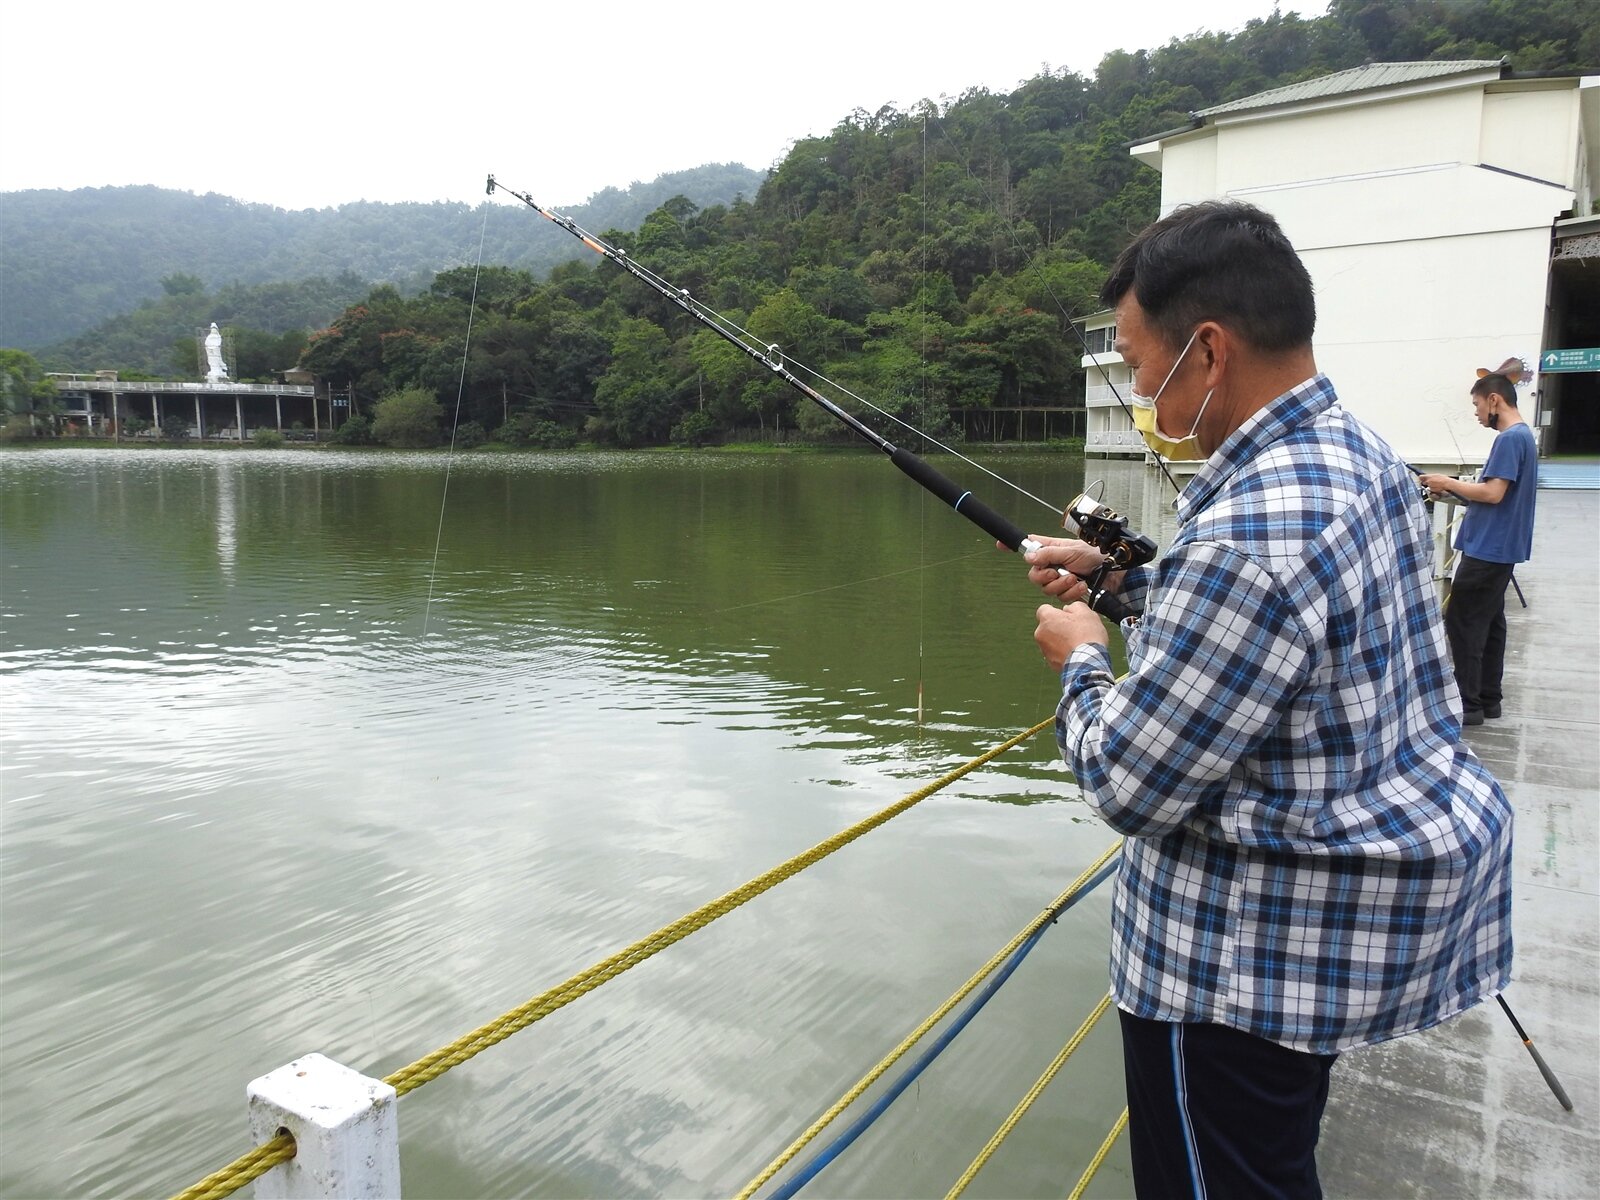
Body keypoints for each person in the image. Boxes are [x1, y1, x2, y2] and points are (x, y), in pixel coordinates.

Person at [1024, 200, 1513, 1199]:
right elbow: (1291, 644)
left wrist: (1081, 654)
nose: (1136, 388)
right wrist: (1125, 587)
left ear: (1204, 351)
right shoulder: (1354, 454)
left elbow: (1127, 780)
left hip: (1231, 973)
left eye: (1136, 358)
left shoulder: (1247, 533)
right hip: (1316, 953)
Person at [1418, 375, 1538, 725]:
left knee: (1463, 621)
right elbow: (1493, 497)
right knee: (1490, 622)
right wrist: (1450, 492)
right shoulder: (1523, 438)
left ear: (1494, 401)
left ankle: (1467, 705)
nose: (1476, 413)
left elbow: (1493, 494)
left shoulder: (1509, 439)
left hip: (1488, 550)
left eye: (1476, 405)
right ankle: (1488, 699)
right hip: (1500, 548)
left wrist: (1446, 481)